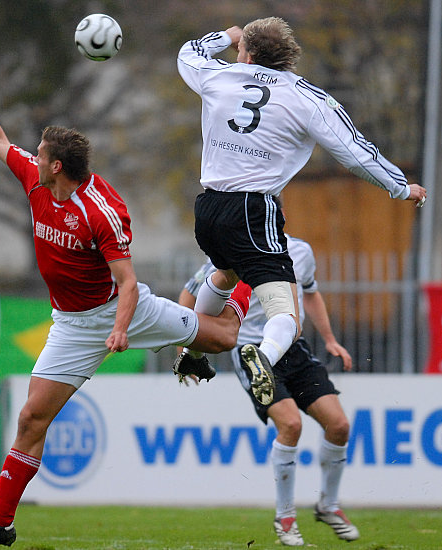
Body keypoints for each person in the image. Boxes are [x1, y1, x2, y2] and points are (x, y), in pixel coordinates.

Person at [0, 56, 254, 549]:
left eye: (41, 153)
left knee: (225, 339)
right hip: (69, 325)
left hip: (118, 312)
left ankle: (242, 276)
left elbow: (128, 283)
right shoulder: (36, 178)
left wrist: (120, 330)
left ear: (57, 166)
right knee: (30, 420)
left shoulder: (101, 211)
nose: (33, 157)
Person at [176, 18, 426, 408]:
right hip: (253, 209)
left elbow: (188, 53)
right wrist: (400, 186)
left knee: (224, 275)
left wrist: (227, 36)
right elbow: (354, 151)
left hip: (207, 206)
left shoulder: (219, 75)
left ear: (250, 53)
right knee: (287, 317)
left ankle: (193, 352)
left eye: (243, 50)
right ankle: (263, 356)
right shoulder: (306, 96)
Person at [179, 234, 359, 546]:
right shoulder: (231, 248)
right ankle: (286, 516)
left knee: (339, 426)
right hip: (250, 351)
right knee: (291, 424)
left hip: (294, 350)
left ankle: (328, 505)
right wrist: (188, 348)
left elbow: (311, 294)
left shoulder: (302, 251)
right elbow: (189, 294)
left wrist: (329, 338)